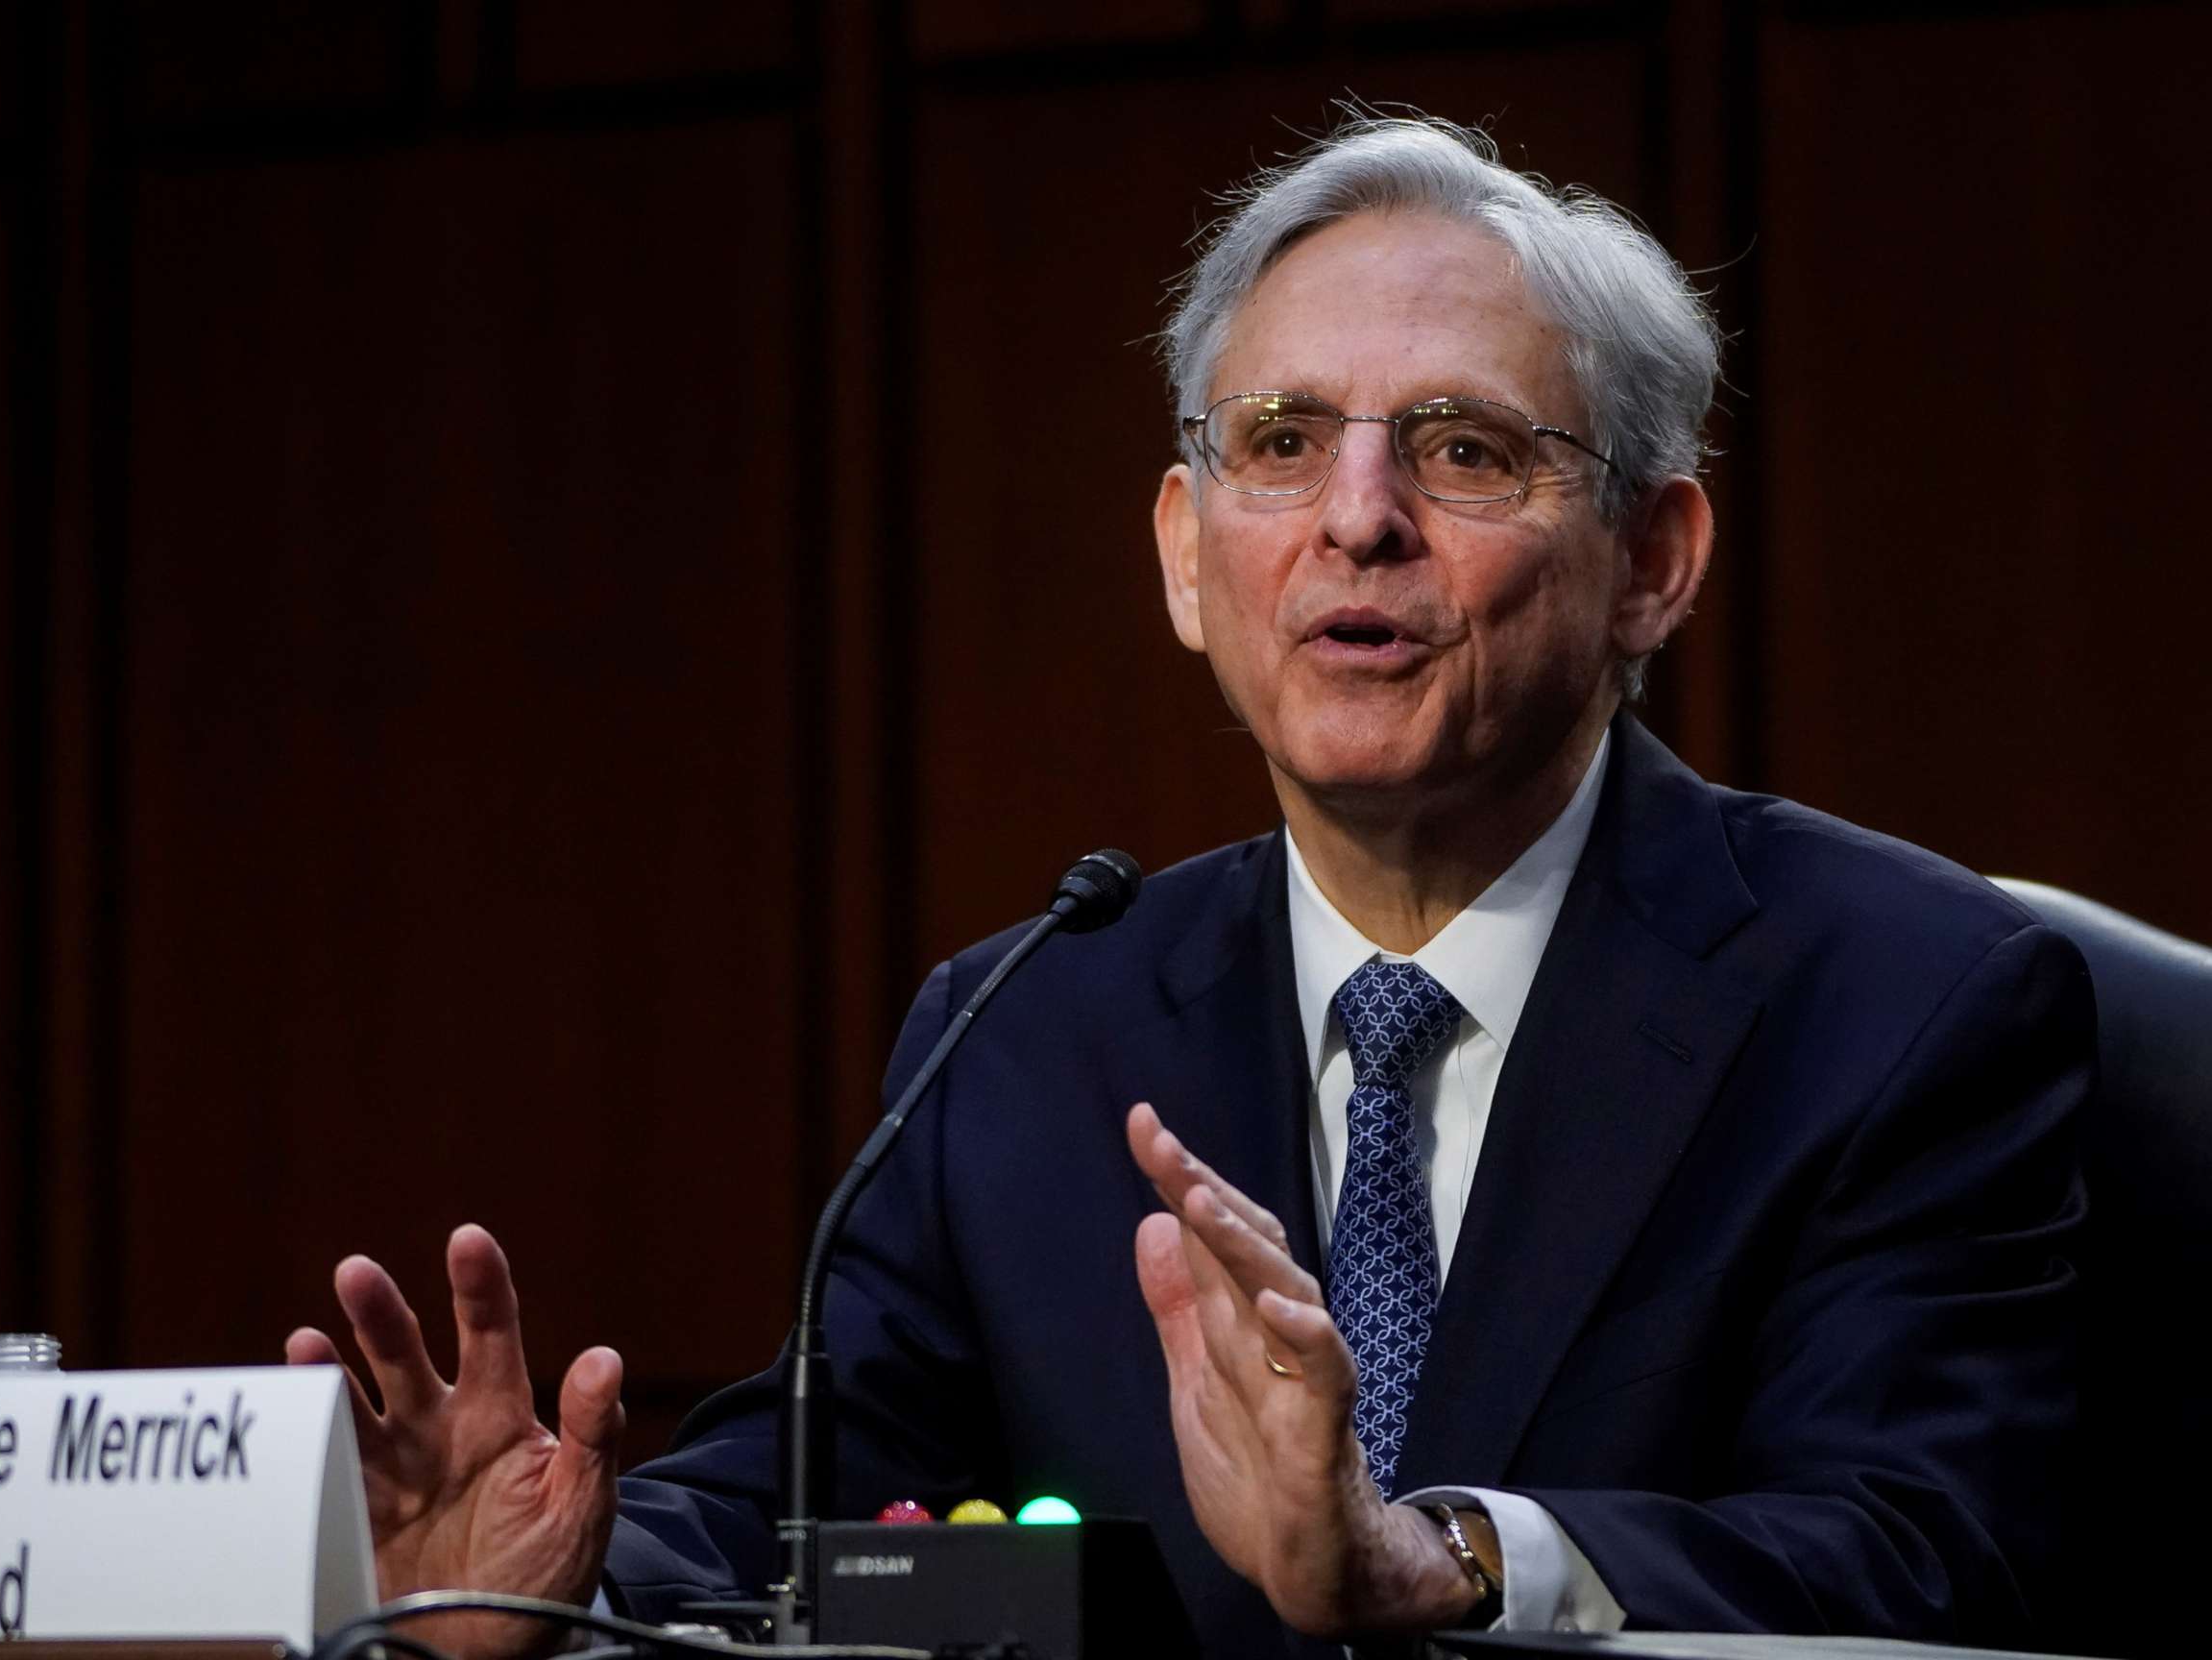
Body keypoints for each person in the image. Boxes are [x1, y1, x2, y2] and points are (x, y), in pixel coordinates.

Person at [288, 115, 2088, 1655]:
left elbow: (1929, 1556)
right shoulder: (1029, 1024)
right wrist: (581, 1574)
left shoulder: (1906, 1005)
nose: (1355, 518)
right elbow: (826, 1502)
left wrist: (1444, 1560)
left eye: (1463, 449)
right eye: (1283, 444)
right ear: (1183, 555)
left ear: (1652, 562)